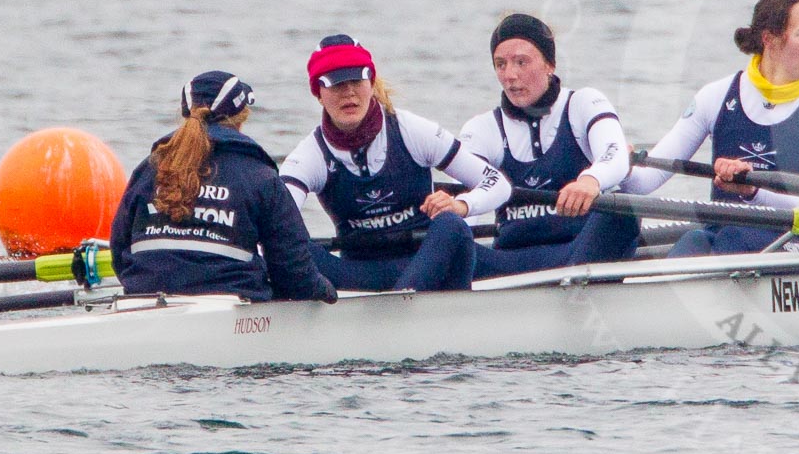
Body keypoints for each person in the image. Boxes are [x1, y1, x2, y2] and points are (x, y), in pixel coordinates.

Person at [623, 0, 799, 256]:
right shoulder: (716, 96)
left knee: (733, 239)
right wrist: (618, 167)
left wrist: (751, 190)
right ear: (769, 39)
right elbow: (645, 181)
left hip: (793, 241)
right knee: (693, 242)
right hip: (723, 235)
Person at [278, 35, 511, 292]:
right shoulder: (310, 155)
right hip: (360, 274)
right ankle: (400, 306)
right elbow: (274, 218)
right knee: (288, 243)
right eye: (336, 84)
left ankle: (402, 307)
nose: (349, 92)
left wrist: (461, 205)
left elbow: (498, 184)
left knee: (452, 226)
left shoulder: (411, 130)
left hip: (429, 262)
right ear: (318, 94)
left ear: (371, 84)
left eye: (357, 80)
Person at [110, 71, 337, 303]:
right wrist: (325, 290)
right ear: (242, 117)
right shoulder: (260, 176)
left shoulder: (147, 170)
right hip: (228, 307)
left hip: (142, 301)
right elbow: (293, 272)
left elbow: (119, 252)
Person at [459, 13, 640, 278]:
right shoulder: (482, 129)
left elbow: (615, 155)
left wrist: (590, 181)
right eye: (500, 64)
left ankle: (571, 296)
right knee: (449, 232)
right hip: (507, 263)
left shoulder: (583, 104)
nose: (510, 75)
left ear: (549, 64)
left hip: (581, 253)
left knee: (623, 210)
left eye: (521, 62)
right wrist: (459, 210)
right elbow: (471, 205)